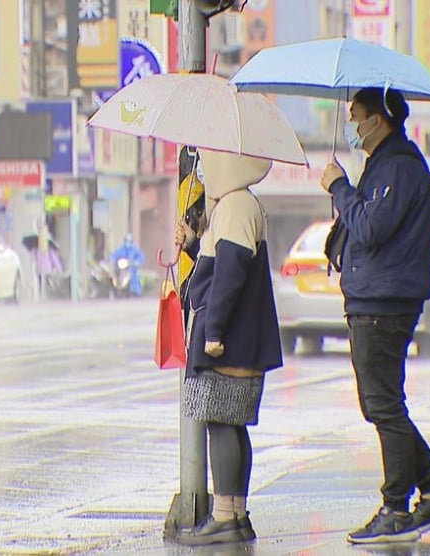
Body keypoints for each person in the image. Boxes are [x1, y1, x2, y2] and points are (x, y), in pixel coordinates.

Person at [319, 87, 430, 544]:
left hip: (384, 303)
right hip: (375, 298)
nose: (352, 124)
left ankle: (396, 509)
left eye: (355, 116)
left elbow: (371, 228)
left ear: (378, 120)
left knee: (383, 405)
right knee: (380, 404)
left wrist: (339, 187)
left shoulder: (398, 166)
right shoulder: (386, 165)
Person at [173, 149, 283, 546]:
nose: (204, 169)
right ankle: (236, 513)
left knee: (220, 421)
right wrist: (192, 244)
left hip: (229, 339)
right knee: (232, 424)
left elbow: (230, 274)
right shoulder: (236, 205)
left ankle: (223, 517)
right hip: (244, 337)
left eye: (208, 160)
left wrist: (213, 331)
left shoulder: (235, 206)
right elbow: (217, 263)